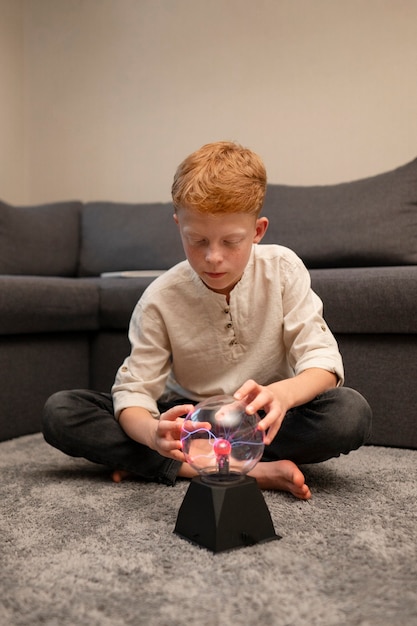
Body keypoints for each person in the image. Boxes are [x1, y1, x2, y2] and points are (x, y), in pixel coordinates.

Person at [42, 141, 372, 500]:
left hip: (262, 419)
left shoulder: (284, 270)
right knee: (62, 411)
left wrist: (281, 393)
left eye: (231, 241)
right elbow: (134, 393)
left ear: (258, 231)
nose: (213, 258)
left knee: (349, 413)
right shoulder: (159, 298)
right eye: (197, 240)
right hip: (189, 423)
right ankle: (247, 470)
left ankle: (162, 465)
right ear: (178, 225)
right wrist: (154, 434)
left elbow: (322, 362)